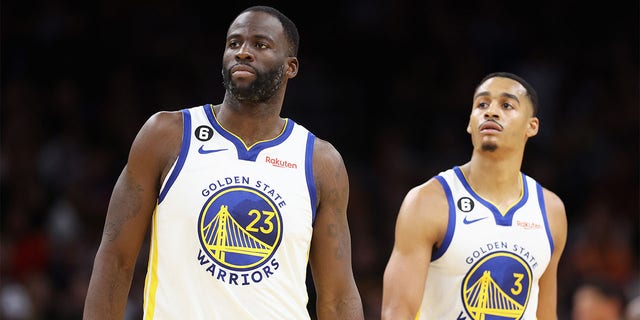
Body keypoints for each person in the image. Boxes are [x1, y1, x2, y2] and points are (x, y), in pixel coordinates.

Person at [83, 6, 364, 319]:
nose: (243, 52)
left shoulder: (319, 162)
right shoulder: (166, 136)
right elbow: (115, 259)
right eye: (234, 43)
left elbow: (338, 297)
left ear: (291, 67)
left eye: (260, 45)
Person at [381, 72, 568, 319]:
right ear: (470, 123)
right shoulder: (428, 202)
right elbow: (397, 312)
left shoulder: (550, 210)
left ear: (531, 126)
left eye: (507, 105)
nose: (491, 111)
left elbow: (545, 314)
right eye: (482, 104)